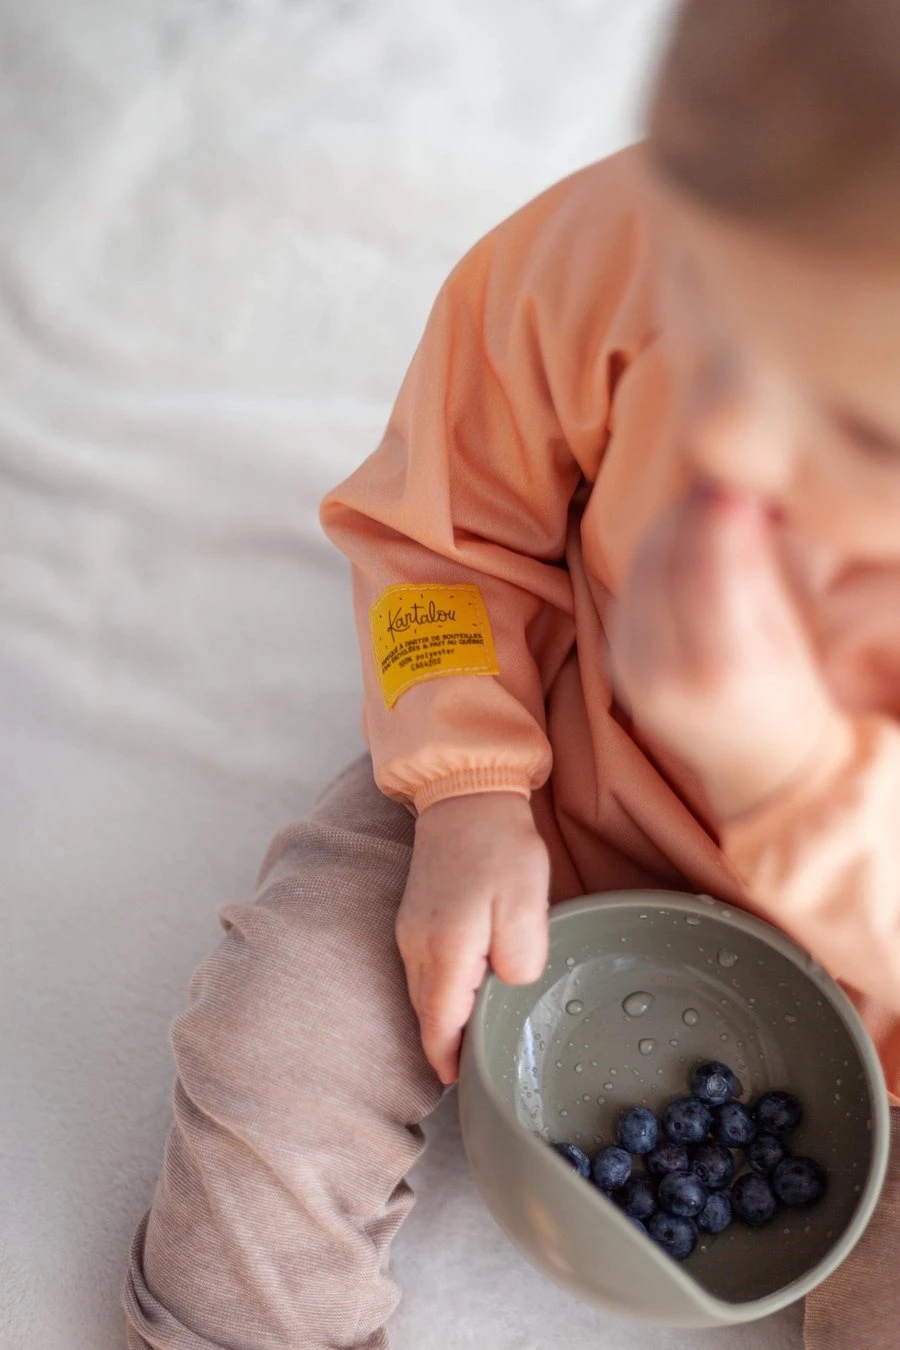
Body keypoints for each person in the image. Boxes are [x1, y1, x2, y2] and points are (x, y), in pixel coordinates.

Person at [123, 2, 900, 1347]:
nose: (733, 443)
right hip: (546, 794)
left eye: (861, 430)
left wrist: (787, 777)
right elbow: (440, 538)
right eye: (715, 330)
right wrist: (468, 786)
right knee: (278, 1041)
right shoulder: (627, 239)